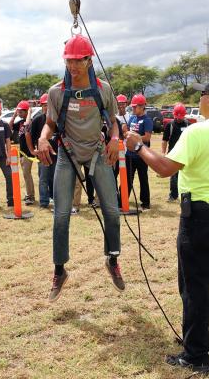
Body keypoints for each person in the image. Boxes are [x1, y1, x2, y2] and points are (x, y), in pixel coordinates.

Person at [126, 77, 209, 374]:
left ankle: (196, 354)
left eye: (202, 95)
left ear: (208, 99)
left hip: (200, 216)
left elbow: (166, 168)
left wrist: (138, 146)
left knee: (194, 286)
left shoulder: (196, 132)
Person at [38, 34, 124, 302]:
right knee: (61, 214)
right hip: (68, 152)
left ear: (89, 60)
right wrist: (42, 137)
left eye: (78, 61)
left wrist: (114, 139)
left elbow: (113, 121)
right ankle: (59, 270)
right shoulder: (56, 92)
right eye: (69, 60)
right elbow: (51, 123)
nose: (73, 66)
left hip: (98, 151)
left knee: (111, 209)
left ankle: (112, 259)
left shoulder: (103, 89)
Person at [25, 93, 57, 209]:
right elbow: (27, 133)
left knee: (55, 178)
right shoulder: (38, 120)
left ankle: (54, 198)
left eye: (48, 105)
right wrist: (32, 150)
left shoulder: (56, 119)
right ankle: (44, 201)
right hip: (43, 156)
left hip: (56, 155)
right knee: (43, 178)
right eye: (44, 105)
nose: (46, 108)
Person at [124, 94, 152, 210]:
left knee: (143, 179)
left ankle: (145, 203)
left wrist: (134, 137)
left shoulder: (147, 120)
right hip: (129, 155)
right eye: (133, 107)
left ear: (142, 107)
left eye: (135, 107)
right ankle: (122, 201)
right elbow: (127, 132)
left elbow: (147, 137)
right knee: (127, 179)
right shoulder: (131, 118)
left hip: (141, 155)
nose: (133, 109)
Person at [9, 100, 35, 205]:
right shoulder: (20, 122)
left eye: (21, 112)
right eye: (18, 111)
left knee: (26, 174)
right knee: (26, 175)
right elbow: (9, 126)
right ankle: (29, 194)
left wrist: (29, 113)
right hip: (21, 153)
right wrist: (14, 115)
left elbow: (27, 125)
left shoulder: (31, 121)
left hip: (28, 153)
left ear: (26, 112)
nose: (19, 113)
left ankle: (31, 197)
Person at [162, 103, 189, 202]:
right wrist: (163, 153)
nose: (178, 119)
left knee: (186, 176)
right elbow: (164, 140)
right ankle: (173, 195)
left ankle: (185, 196)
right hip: (173, 155)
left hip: (186, 154)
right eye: (177, 116)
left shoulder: (188, 124)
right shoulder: (170, 125)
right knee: (174, 176)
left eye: (180, 117)